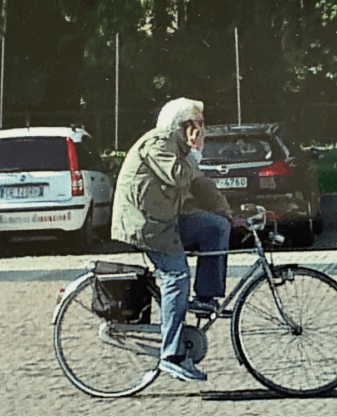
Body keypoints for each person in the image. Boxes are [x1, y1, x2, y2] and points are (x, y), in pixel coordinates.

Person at [111, 97, 244, 382]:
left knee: (215, 227)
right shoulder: (158, 144)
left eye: (201, 123)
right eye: (196, 123)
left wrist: (227, 214)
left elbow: (200, 184)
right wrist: (194, 153)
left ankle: (205, 298)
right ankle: (171, 356)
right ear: (179, 126)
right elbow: (179, 177)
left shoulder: (179, 149)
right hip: (147, 224)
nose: (201, 129)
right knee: (176, 276)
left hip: (167, 219)